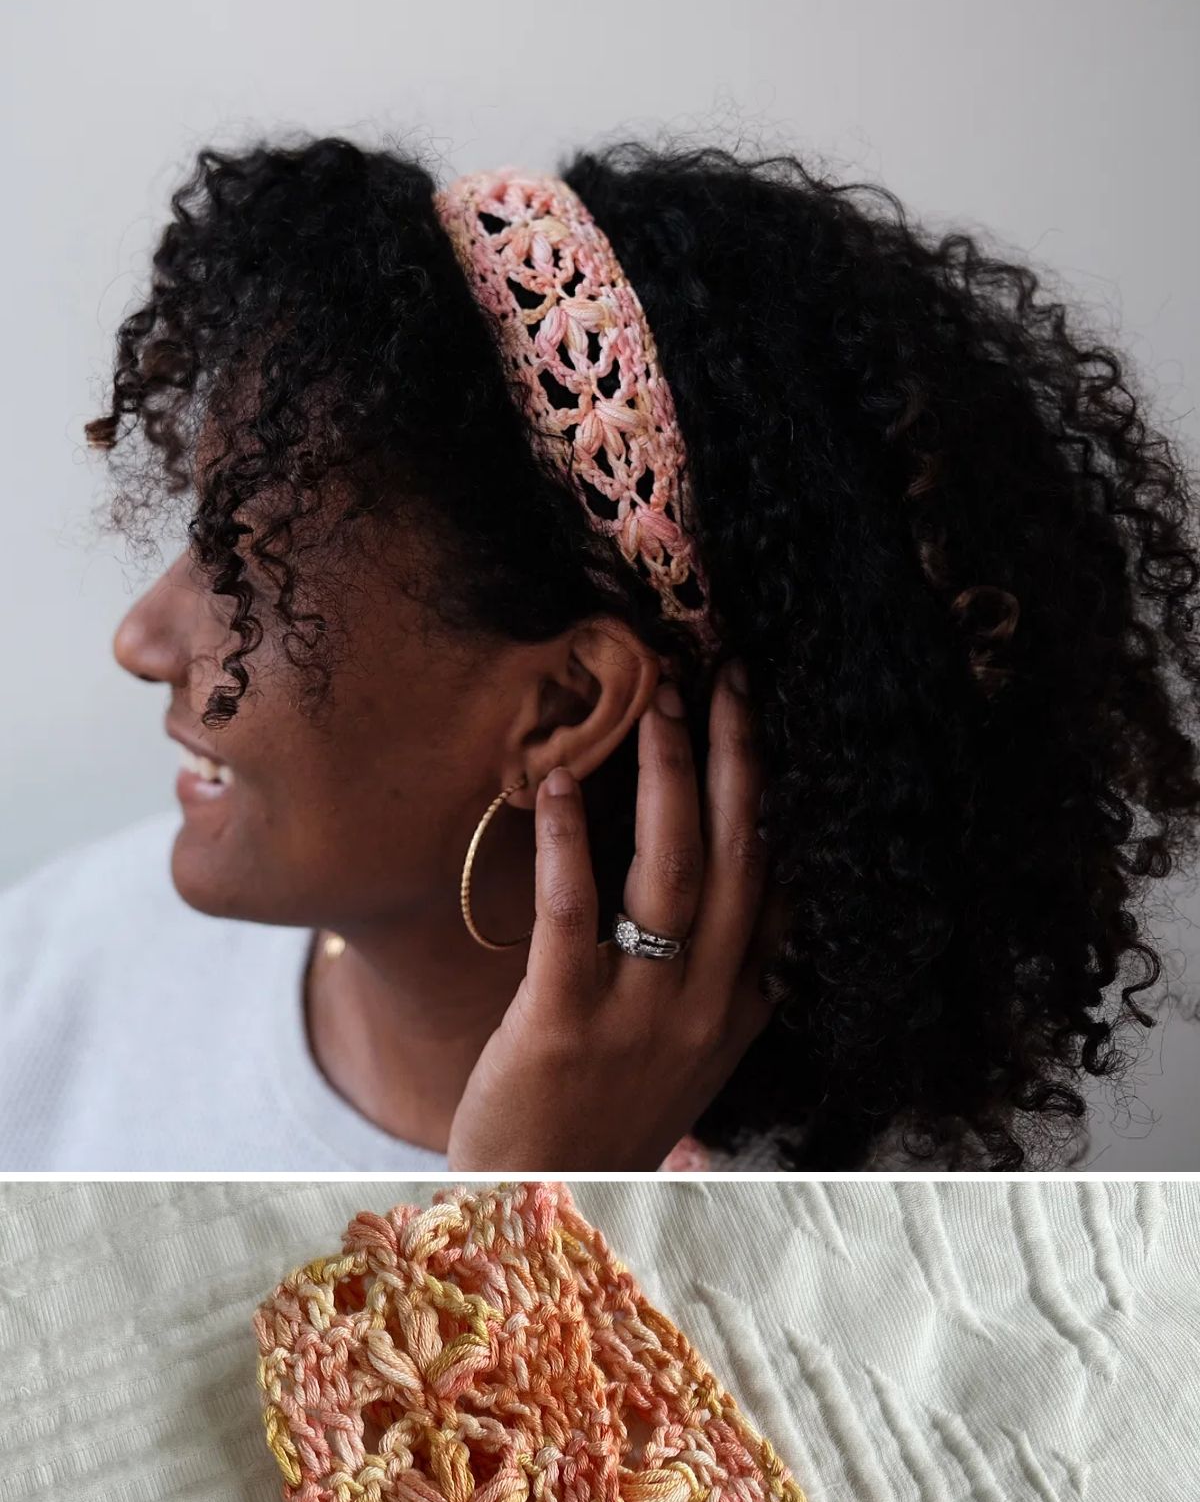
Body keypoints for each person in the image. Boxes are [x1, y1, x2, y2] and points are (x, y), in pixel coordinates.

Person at [3, 134, 1198, 1173]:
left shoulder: (811, 1247)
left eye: (242, 570)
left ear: (564, 703)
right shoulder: (57, 966)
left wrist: (531, 1194)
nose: (140, 640)